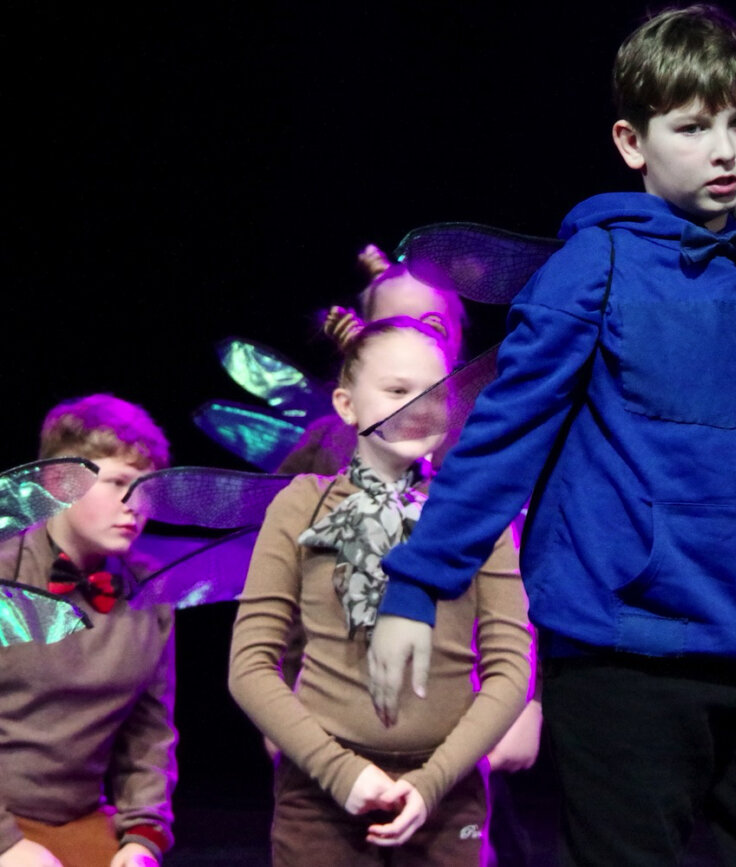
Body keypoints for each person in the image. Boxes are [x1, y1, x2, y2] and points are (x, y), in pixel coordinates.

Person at [370, 5, 736, 864]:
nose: (724, 150)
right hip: (625, 661)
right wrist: (417, 586)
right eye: (693, 127)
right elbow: (502, 438)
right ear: (631, 142)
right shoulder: (593, 268)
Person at [227, 317, 531, 866]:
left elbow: (511, 666)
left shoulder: (477, 515)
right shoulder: (302, 505)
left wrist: (433, 781)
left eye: (433, 392)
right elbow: (249, 664)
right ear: (346, 405)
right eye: (396, 390)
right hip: (321, 791)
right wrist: (339, 771)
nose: (418, 407)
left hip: (447, 789)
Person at [0, 395, 176, 867]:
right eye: (118, 483)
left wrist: (142, 837)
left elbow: (149, 735)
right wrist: (7, 845)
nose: (135, 505)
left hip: (77, 816)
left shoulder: (149, 590)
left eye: (146, 488)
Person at [276, 244, 468, 477]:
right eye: (389, 330)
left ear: (457, 337)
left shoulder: (478, 439)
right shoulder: (323, 440)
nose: (413, 345)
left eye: (431, 329)